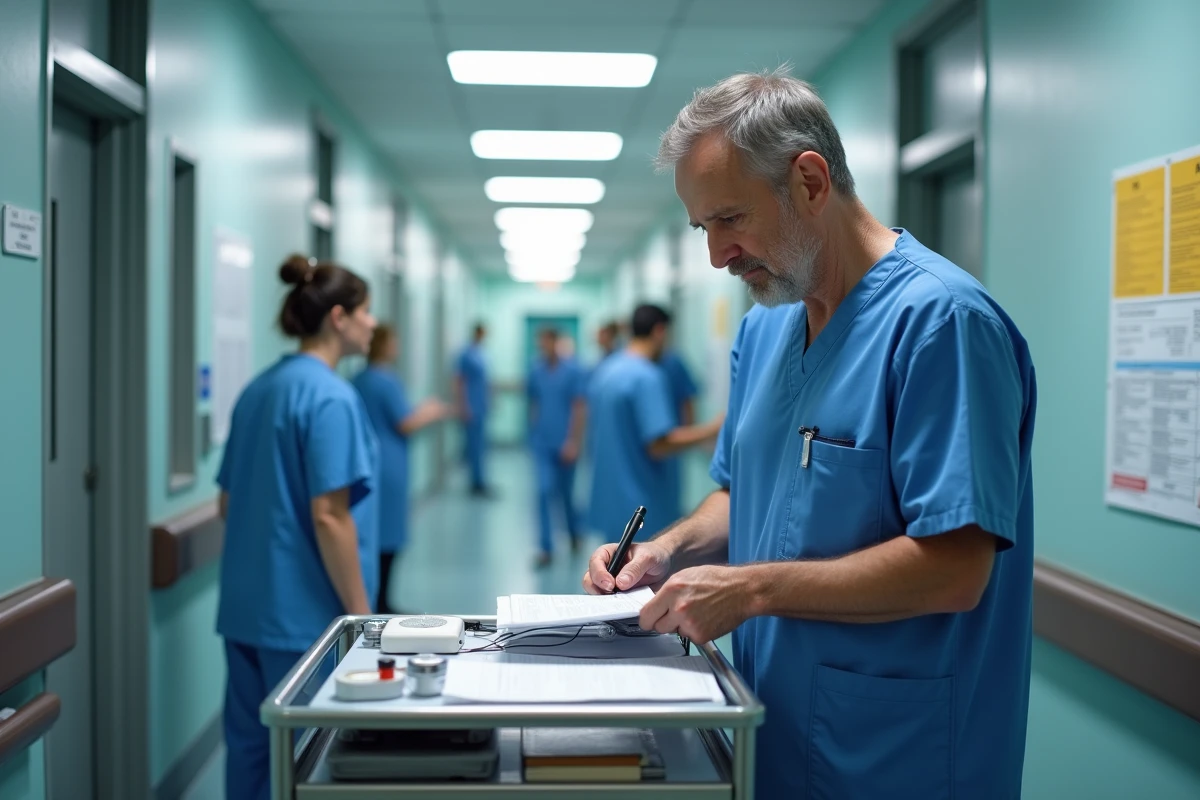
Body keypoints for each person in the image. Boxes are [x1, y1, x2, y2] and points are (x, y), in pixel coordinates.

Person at [585, 68, 1037, 799]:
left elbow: (957, 568)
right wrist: (665, 553)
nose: (716, 255)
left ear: (810, 181)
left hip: (899, 757)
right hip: (771, 736)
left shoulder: (942, 325)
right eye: (704, 228)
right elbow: (745, 495)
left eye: (730, 219)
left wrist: (751, 590)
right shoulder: (764, 331)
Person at [216, 254, 379, 800]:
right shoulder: (331, 397)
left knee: (249, 751)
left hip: (244, 611)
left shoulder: (259, 389)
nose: (372, 324)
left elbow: (225, 505)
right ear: (339, 317)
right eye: (366, 312)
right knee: (307, 765)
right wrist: (362, 618)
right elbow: (330, 516)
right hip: (303, 621)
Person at [585, 304, 724, 542]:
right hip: (642, 508)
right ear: (660, 331)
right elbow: (659, 445)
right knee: (642, 574)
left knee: (612, 569)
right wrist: (714, 428)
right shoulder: (647, 377)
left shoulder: (606, 371)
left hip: (611, 502)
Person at [352, 324, 454, 613]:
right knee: (388, 536)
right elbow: (405, 422)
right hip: (389, 467)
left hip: (366, 464)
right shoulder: (386, 380)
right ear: (383, 345)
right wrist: (433, 411)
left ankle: (375, 599)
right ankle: (381, 603)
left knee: (371, 533)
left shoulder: (357, 379)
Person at [526, 327, 587, 566]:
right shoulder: (535, 370)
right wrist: (533, 433)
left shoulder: (573, 370)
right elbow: (534, 403)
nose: (544, 347)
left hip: (565, 443)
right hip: (542, 443)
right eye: (541, 342)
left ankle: (574, 532)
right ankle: (546, 548)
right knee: (542, 492)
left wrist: (574, 441)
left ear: (556, 343)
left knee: (566, 496)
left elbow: (579, 407)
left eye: (548, 342)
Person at [454, 322, 493, 497]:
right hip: (471, 407)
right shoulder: (466, 354)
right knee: (473, 447)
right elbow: (459, 381)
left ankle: (480, 480)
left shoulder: (480, 354)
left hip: (480, 405)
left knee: (481, 447)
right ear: (477, 333)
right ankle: (475, 483)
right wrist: (463, 406)